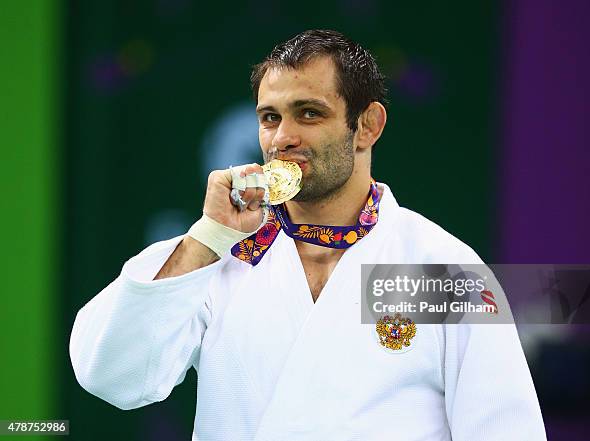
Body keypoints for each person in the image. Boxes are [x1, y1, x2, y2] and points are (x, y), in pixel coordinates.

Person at [70, 29, 547, 440]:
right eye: (270, 117)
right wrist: (207, 238)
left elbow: (504, 430)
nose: (282, 138)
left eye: (309, 114)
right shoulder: (218, 253)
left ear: (367, 127)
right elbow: (113, 376)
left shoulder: (439, 267)